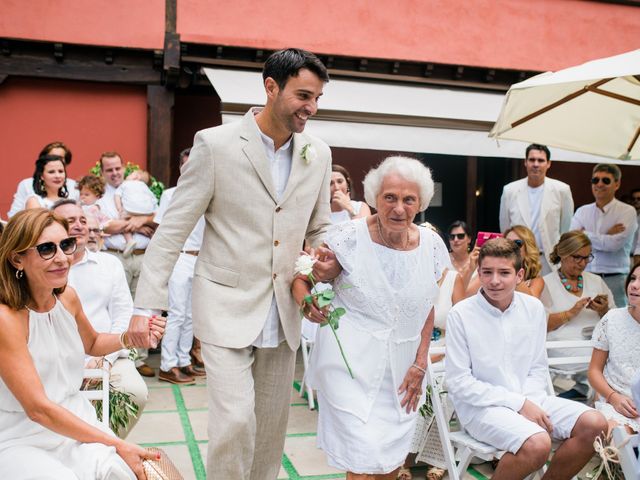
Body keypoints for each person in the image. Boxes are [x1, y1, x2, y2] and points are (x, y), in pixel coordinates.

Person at [130, 48, 334, 479]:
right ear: (271, 87)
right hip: (224, 306)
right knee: (235, 422)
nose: (310, 108)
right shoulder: (215, 144)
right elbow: (173, 230)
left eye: (316, 98)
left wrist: (319, 264)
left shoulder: (319, 152)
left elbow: (318, 229)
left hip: (285, 310)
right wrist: (145, 306)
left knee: (270, 430)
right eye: (302, 95)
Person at [294, 156, 449, 479]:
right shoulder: (348, 236)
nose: (398, 208)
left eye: (409, 200)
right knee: (363, 457)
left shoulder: (432, 245)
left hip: (403, 370)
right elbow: (303, 276)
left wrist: (421, 362)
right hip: (348, 364)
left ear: (421, 202)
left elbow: (426, 307)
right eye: (389, 197)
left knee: (390, 461)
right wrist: (307, 301)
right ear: (373, 197)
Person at [0, 208, 165, 479]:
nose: (62, 258)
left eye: (66, 245)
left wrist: (131, 337)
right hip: (22, 435)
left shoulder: (67, 299)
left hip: (75, 417)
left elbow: (94, 342)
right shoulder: (6, 319)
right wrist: (118, 444)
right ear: (17, 259)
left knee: (119, 473)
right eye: (46, 249)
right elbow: (38, 409)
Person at [446, 238, 607, 480]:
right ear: (478, 272)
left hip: (533, 399)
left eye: (504, 272)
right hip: (481, 409)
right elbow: (459, 383)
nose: (494, 280)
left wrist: (527, 403)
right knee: (537, 443)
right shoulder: (461, 314)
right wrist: (518, 404)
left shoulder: (532, 308)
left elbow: (537, 367)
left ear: (520, 275)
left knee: (595, 424)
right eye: (487, 272)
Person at [52, 200, 149, 438]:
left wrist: (105, 359)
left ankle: (107, 447)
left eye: (82, 220)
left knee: (134, 391)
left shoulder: (109, 264)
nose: (79, 226)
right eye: (70, 221)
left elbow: (123, 315)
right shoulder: (44, 269)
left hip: (107, 354)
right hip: (57, 360)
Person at [97, 152, 157, 377]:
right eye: (109, 170)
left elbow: (155, 219)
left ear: (124, 168)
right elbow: (105, 227)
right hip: (116, 257)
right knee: (118, 307)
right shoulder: (101, 198)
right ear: (102, 172)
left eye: (117, 168)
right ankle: (118, 353)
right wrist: (136, 224)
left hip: (142, 255)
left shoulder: (138, 190)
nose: (114, 173)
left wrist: (138, 221)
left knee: (141, 305)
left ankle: (140, 358)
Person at [541, 230, 614, 398]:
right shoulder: (545, 283)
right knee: (598, 365)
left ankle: (587, 395)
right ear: (562, 254)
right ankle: (589, 395)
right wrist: (571, 312)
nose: (583, 263)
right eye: (577, 257)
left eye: (587, 257)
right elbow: (540, 325)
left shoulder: (596, 281)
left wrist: (603, 310)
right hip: (563, 348)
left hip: (595, 346)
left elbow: (615, 319)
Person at [155, 150, 206, 385]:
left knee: (192, 315)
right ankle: (167, 365)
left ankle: (184, 360)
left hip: (200, 259)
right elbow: (162, 229)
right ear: (180, 168)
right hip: (179, 256)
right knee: (175, 313)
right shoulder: (170, 195)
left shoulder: (207, 194)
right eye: (185, 165)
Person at [499, 143, 573, 275]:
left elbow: (565, 228)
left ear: (548, 163)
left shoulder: (562, 190)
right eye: (532, 160)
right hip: (518, 258)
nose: (536, 164)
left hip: (549, 260)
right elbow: (505, 228)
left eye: (541, 160)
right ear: (525, 162)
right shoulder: (510, 190)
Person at [571, 164, 638, 307]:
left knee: (618, 323)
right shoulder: (582, 211)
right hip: (586, 277)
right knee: (587, 323)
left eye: (606, 180)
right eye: (595, 180)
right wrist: (606, 234)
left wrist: (585, 234)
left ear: (617, 184)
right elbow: (573, 243)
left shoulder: (627, 211)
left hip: (615, 279)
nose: (599, 184)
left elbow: (614, 245)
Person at [588, 260, 640, 433]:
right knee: (620, 440)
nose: (634, 285)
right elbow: (594, 371)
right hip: (614, 401)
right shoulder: (613, 319)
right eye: (632, 279)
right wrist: (613, 397)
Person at [8, 141, 77, 218]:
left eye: (61, 171)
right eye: (51, 172)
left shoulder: (74, 186)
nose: (57, 175)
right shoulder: (33, 198)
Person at [114, 170, 158, 258]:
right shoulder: (146, 187)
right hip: (146, 212)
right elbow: (154, 200)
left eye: (131, 174)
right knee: (151, 228)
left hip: (130, 210)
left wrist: (119, 208)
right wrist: (152, 212)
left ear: (136, 177)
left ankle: (129, 240)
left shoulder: (126, 183)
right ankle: (154, 241)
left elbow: (117, 195)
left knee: (123, 220)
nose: (128, 175)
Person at [446, 220, 477, 289]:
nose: (456, 240)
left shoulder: (476, 259)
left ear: (469, 239)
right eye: (452, 237)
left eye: (460, 236)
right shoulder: (443, 258)